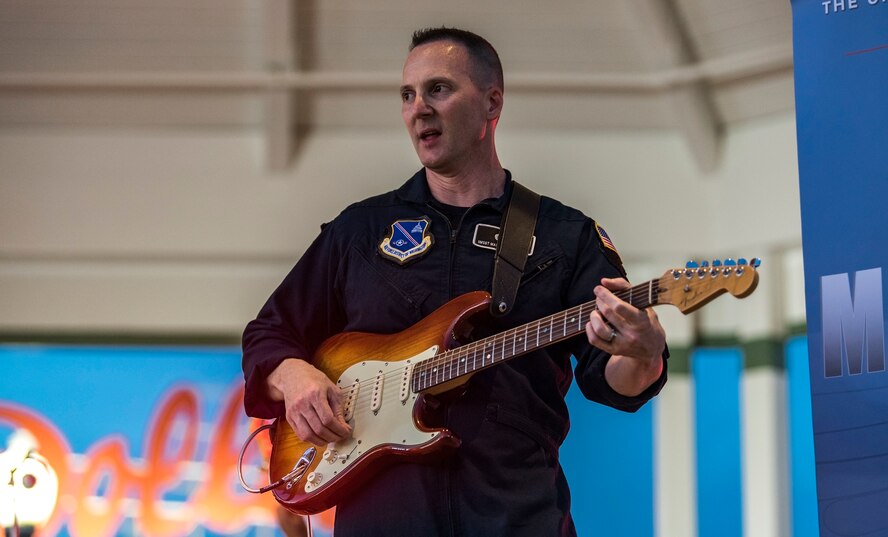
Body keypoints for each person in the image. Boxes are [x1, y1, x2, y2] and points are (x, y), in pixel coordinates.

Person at [242, 27, 668, 536]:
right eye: (407, 94)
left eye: (438, 89)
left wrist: (643, 352)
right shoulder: (359, 230)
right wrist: (296, 377)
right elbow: (269, 334)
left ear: (492, 103)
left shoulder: (565, 236)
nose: (418, 108)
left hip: (515, 515)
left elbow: (615, 382)